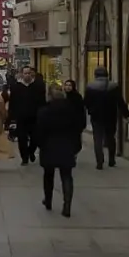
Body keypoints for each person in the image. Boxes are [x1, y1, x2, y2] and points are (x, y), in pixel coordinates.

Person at [36, 81, 82, 216]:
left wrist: (40, 145)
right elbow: (77, 130)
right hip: (67, 146)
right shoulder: (72, 111)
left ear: (50, 96)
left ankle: (48, 200)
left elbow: (39, 132)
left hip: (49, 146)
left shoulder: (44, 112)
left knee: (48, 175)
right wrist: (76, 147)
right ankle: (67, 205)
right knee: (66, 175)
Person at [84, 66, 129, 169]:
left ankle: (99, 162)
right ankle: (111, 160)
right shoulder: (113, 86)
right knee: (110, 138)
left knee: (98, 139)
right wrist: (126, 115)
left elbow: (86, 102)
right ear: (107, 74)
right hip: (111, 115)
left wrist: (90, 110)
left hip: (96, 116)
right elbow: (120, 102)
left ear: (95, 75)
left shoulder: (90, 87)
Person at [7, 66, 47, 165]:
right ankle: (24, 158)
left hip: (35, 117)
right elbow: (12, 102)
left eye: (29, 73)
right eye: (25, 73)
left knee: (35, 138)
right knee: (22, 139)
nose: (27, 75)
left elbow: (42, 102)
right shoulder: (16, 87)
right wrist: (11, 117)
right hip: (21, 117)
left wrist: (43, 114)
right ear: (22, 74)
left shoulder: (38, 86)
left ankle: (31, 151)